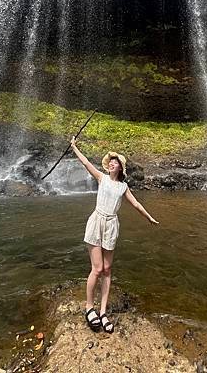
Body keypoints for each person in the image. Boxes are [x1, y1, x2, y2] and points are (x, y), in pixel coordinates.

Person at [70, 136, 159, 333]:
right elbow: (85, 163)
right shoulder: (101, 178)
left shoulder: (123, 186)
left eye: (115, 162)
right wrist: (74, 146)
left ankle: (103, 312)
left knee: (108, 269)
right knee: (97, 268)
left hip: (111, 225)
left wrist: (149, 217)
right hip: (97, 222)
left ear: (120, 168)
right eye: (110, 162)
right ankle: (89, 307)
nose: (111, 164)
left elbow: (135, 204)